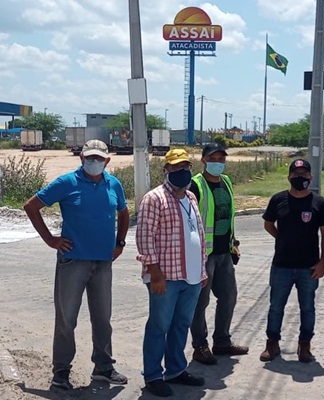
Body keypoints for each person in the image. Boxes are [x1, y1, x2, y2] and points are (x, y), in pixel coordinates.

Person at [23, 139, 129, 390]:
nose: (94, 163)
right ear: (81, 159)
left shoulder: (113, 184)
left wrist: (120, 243)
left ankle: (103, 367)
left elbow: (123, 213)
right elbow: (31, 206)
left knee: (103, 317)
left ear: (107, 161)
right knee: (67, 319)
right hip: (73, 262)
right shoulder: (66, 182)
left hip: (103, 262)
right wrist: (50, 239)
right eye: (89, 158)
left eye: (99, 159)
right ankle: (61, 372)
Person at [136, 148, 207, 397]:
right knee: (159, 326)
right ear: (165, 170)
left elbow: (198, 234)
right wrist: (154, 273)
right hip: (165, 276)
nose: (181, 172)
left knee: (181, 325)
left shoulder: (191, 197)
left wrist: (202, 269)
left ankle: (176, 370)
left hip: (191, 276)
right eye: (176, 168)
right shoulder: (154, 199)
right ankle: (153, 375)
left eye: (185, 167)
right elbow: (145, 238)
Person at [260, 159, 324, 363]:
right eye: (296, 174)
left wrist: (323, 263)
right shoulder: (278, 199)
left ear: (310, 176)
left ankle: (305, 345)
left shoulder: (319, 203)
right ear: (289, 177)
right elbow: (268, 224)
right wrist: (282, 238)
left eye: (304, 174)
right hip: (281, 265)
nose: (300, 177)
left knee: (307, 308)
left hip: (309, 267)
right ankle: (272, 344)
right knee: (276, 307)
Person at [189, 142, 248, 366]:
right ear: (204, 160)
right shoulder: (196, 185)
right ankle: (200, 346)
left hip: (224, 252)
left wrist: (234, 242)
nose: (218, 163)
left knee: (229, 297)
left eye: (222, 159)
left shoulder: (226, 182)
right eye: (213, 158)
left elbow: (227, 215)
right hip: (203, 255)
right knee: (200, 303)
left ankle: (222, 341)